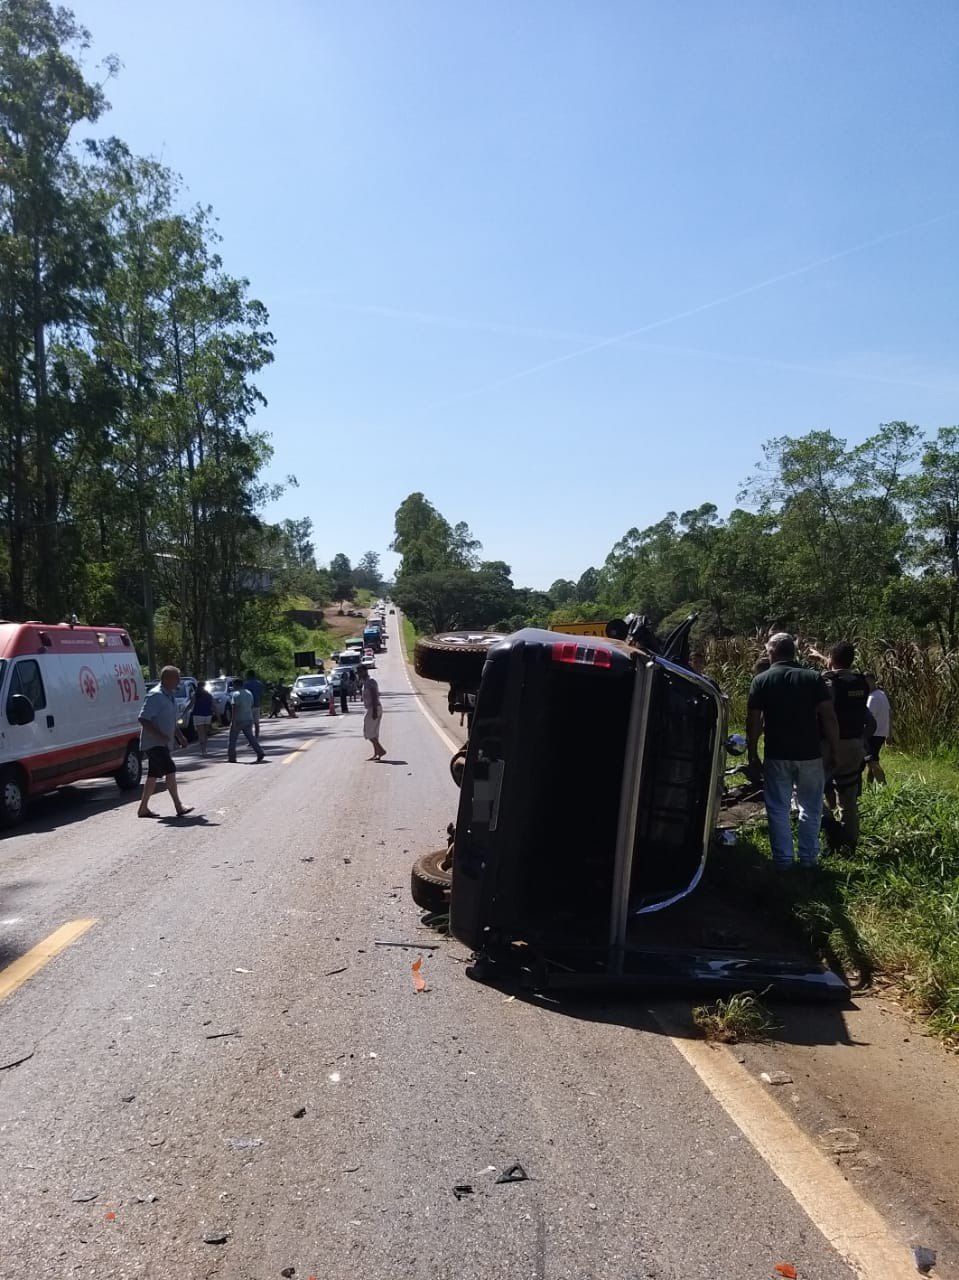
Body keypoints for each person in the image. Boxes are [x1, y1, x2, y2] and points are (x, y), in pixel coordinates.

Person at [747, 633, 840, 869]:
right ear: (793, 652)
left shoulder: (761, 680)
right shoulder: (813, 678)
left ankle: (784, 860)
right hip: (810, 753)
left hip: (777, 752)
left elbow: (754, 721)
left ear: (773, 652)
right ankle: (808, 859)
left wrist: (751, 752)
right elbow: (828, 716)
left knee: (777, 806)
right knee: (811, 805)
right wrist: (835, 749)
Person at [820, 641, 872, 848]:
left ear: (831, 659)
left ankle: (830, 827)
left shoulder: (828, 683)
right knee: (848, 799)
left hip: (830, 746)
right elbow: (872, 722)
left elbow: (825, 710)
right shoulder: (861, 682)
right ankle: (849, 843)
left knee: (808, 792)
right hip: (855, 746)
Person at [137, 665, 194, 818]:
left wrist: (180, 736)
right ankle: (178, 805)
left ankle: (143, 808)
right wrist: (159, 735)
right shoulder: (155, 696)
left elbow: (171, 721)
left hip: (163, 744)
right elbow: (143, 718)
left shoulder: (169, 696)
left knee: (153, 775)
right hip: (154, 743)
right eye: (177, 678)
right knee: (170, 768)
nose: (179, 681)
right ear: (167, 678)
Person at [864, 672, 890, 786]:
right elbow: (890, 713)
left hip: (872, 735)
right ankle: (869, 786)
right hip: (881, 733)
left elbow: (867, 720)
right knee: (871, 761)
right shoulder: (881, 694)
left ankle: (884, 785)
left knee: (872, 762)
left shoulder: (872, 699)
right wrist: (889, 732)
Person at [228, 683, 265, 763]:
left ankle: (232, 757)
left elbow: (235, 708)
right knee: (251, 738)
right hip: (248, 718)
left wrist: (233, 721)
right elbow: (251, 705)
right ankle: (260, 752)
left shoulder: (236, 694)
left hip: (238, 720)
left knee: (232, 739)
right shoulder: (249, 693)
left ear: (236, 685)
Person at [357, 664, 385, 761]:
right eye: (358, 672)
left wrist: (373, 711)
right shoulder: (365, 683)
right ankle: (377, 753)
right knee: (373, 732)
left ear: (365, 671)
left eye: (360, 671)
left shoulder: (370, 682)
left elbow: (374, 696)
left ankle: (381, 750)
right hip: (372, 708)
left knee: (369, 732)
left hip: (374, 708)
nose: (358, 674)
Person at [192, 682, 215, 757]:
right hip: (208, 715)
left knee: (200, 734)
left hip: (198, 715)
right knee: (205, 733)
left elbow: (191, 704)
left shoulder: (196, 695)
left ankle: (203, 751)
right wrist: (218, 715)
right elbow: (213, 705)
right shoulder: (209, 695)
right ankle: (205, 749)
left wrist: (184, 712)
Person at [244, 670, 264, 737]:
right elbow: (261, 695)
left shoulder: (246, 684)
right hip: (257, 705)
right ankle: (256, 737)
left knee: (249, 724)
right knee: (256, 723)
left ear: (248, 675)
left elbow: (245, 695)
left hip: (249, 706)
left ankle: (251, 740)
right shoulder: (259, 683)